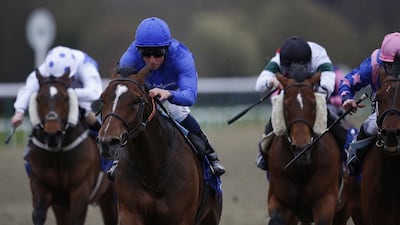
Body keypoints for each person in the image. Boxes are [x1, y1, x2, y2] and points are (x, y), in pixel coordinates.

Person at [113, 17, 225, 176]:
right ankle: (117, 157)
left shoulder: (182, 58)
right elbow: (120, 88)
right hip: (143, 88)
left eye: (158, 54)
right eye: (146, 54)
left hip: (174, 88)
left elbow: (190, 96)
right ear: (139, 51)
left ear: (166, 48)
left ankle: (209, 154)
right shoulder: (129, 58)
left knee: (177, 113)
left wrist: (169, 94)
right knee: (128, 113)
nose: (151, 60)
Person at [10, 46, 110, 173]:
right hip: (57, 96)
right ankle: (32, 144)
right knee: (41, 105)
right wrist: (19, 111)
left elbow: (95, 92)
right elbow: (29, 88)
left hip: (79, 95)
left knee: (87, 114)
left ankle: (105, 148)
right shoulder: (47, 67)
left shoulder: (86, 66)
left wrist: (67, 94)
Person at [254, 36, 348, 171]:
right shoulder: (279, 58)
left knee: (324, 109)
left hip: (313, 94)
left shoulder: (319, 55)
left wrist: (315, 91)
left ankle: (346, 149)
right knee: (276, 115)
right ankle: (263, 152)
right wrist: (272, 82)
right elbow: (260, 83)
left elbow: (328, 79)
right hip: (291, 95)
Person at [340, 32, 400, 176]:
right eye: (389, 65)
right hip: (383, 110)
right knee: (370, 126)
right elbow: (347, 81)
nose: (394, 71)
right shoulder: (373, 66)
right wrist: (347, 98)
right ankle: (352, 163)